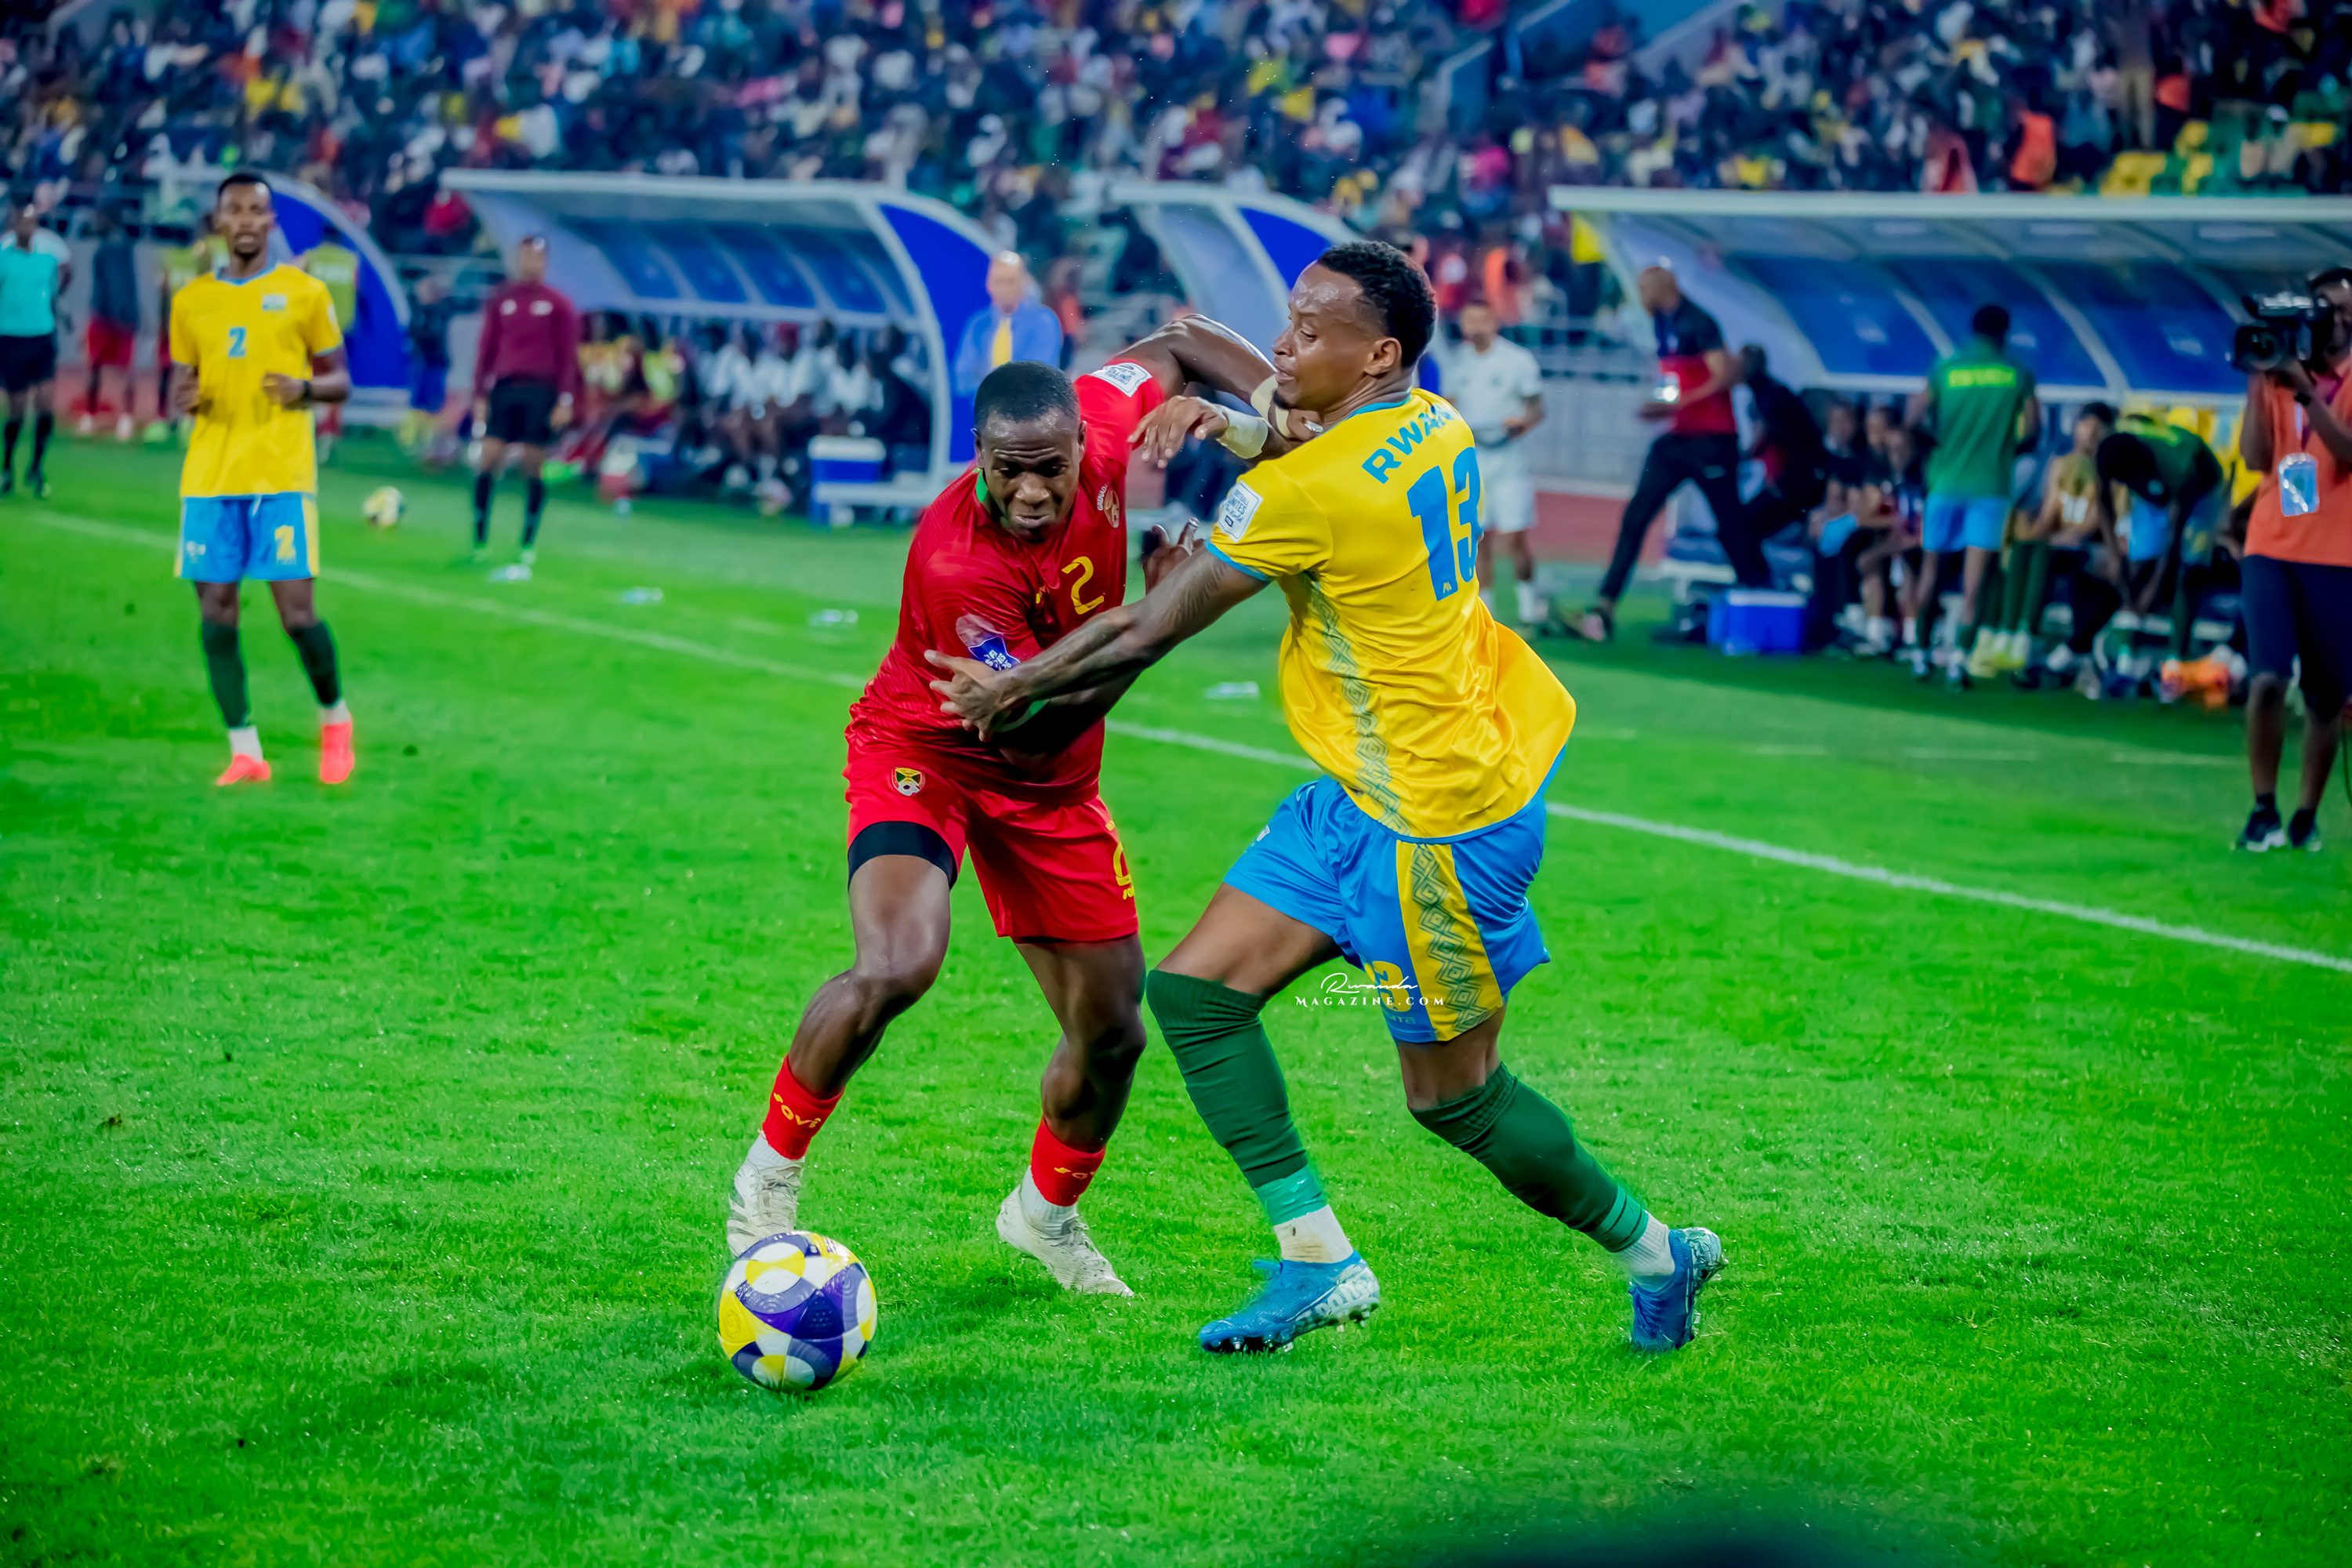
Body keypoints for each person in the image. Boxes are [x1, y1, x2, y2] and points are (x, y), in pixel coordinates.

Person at [930, 242, 1723, 1356]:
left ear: (1379, 354)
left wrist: (1012, 685)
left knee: (1456, 1098)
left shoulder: (1305, 492)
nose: (1284, 345)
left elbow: (1150, 625)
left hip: (1438, 825)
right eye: (1288, 322)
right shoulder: (1435, 422)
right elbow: (1309, 435)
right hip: (1371, 788)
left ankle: (1659, 1252)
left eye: (1309, 331)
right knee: (1196, 994)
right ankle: (1318, 1261)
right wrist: (1235, 421)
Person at [724, 315, 1292, 1297]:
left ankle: (1044, 1216)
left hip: (1056, 790)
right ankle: (766, 1180)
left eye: (1050, 469)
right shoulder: (959, 563)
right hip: (930, 748)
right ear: (979, 456)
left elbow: (1182, 342)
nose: (1030, 491)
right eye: (1007, 471)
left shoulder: (1105, 423)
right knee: (897, 964)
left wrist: (1278, 421)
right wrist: (1154, 620)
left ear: (1082, 444)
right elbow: (1027, 729)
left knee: (1112, 1034)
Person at [168, 172, 353, 787]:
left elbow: (340, 380)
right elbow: (183, 384)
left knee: (297, 614)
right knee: (216, 610)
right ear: (219, 221)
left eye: (256, 210)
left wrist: (305, 389)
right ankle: (245, 750)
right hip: (210, 477)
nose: (246, 220)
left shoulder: (305, 293)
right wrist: (184, 398)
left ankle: (335, 718)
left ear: (272, 222)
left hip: (281, 475)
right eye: (235, 210)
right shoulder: (191, 301)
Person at [1573, 265, 1766, 642]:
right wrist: (1662, 404)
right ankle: (1604, 607)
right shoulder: (1663, 323)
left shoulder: (1699, 322)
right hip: (1679, 437)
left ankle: (1761, 595)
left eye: (1645, 287)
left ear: (1665, 286)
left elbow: (1723, 375)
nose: (1641, 295)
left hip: (1712, 439)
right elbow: (1677, 377)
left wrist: (1677, 405)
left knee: (1731, 524)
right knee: (1636, 516)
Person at [2233, 267, 2352, 852]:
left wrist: (2305, 390)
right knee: (2267, 679)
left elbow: (2348, 452)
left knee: (2326, 697)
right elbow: (2259, 458)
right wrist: (2261, 381)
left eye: (2342, 309)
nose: (2333, 319)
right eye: (2324, 308)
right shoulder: (2278, 371)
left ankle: (2306, 815)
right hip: (2273, 544)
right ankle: (2263, 809)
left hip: (2338, 553)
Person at [1906, 304, 2038, 688]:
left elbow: (1912, 418)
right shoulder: (2017, 373)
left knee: (1930, 571)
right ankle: (1958, 663)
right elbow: (2033, 429)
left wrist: (1936, 447)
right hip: (1990, 486)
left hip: (1944, 482)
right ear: (2005, 333)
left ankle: (1920, 654)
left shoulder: (1946, 368)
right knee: (1973, 583)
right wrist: (2005, 451)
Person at [470, 234, 581, 567]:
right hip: (506, 387)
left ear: (545, 262)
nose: (530, 263)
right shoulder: (501, 299)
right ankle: (479, 540)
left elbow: (568, 356)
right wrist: (480, 395)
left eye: (537, 257)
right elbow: (486, 349)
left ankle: (527, 543)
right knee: (489, 458)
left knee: (533, 464)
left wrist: (565, 399)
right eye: (526, 256)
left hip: (541, 390)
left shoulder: (559, 304)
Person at [1439, 296, 1548, 627]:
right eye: (1470, 321)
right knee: (1478, 538)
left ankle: (1529, 606)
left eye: (1482, 320)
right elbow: (1449, 405)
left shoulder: (1517, 360)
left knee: (1515, 537)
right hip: (1473, 459)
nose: (1476, 328)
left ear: (1494, 323)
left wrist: (1522, 424)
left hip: (1509, 459)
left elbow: (1537, 407)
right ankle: (1485, 613)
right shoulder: (1457, 363)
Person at [1998, 402, 2114, 684]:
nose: (2090, 434)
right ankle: (2010, 631)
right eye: (2085, 426)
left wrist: (2070, 535)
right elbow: (2050, 511)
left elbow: (2097, 518)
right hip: (2061, 542)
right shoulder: (2061, 464)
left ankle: (2028, 634)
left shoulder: (2107, 469)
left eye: (2097, 428)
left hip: (2090, 546)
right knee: (2025, 548)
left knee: (2044, 554)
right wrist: (2034, 533)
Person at [0, 200, 73, 499]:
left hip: (42, 336)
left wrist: (61, 313)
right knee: (17, 409)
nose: (27, 227)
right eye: (22, 221)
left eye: (31, 222)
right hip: (11, 339)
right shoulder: (4, 258)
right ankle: (7, 466)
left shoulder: (47, 259)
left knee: (45, 404)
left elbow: (54, 289)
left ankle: (37, 467)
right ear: (14, 224)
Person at [949, 251, 1063, 398]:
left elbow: (1038, 376)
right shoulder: (978, 324)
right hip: (986, 408)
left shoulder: (1044, 322)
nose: (1004, 289)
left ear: (1023, 283)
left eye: (1010, 281)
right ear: (989, 284)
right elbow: (963, 378)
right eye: (999, 281)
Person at [150, 213, 218, 444]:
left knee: (184, 373)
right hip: (178, 323)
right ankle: (168, 419)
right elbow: (164, 293)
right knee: (170, 372)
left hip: (190, 325)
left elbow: (206, 289)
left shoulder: (199, 255)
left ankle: (182, 419)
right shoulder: (175, 257)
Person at [80, 210, 141, 440]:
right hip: (119, 315)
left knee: (97, 366)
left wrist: (119, 314)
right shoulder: (124, 246)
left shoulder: (110, 248)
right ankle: (125, 419)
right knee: (122, 370)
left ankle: (91, 417)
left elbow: (115, 284)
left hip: (108, 316)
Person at [299, 234, 361, 464]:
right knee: (336, 382)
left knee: (313, 381)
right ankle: (331, 433)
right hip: (341, 330)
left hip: (314, 330)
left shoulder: (310, 257)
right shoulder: (351, 260)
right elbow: (358, 290)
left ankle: (315, 432)